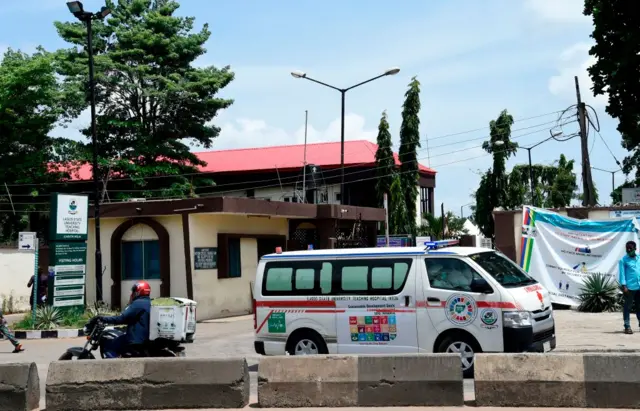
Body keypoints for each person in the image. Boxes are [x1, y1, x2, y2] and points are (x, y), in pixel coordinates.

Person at [97, 281, 151, 358]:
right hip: (145, 340)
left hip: (135, 341)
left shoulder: (137, 304)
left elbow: (121, 318)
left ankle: (114, 368)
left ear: (138, 292)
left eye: (134, 291)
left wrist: (103, 318)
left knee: (109, 345)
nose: (132, 293)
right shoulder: (150, 302)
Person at [619, 240, 640, 334]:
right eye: (627, 248)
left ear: (635, 248)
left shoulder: (639, 258)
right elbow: (622, 274)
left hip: (639, 287)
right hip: (629, 288)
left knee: (639, 307)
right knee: (627, 307)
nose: (628, 250)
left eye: (630, 248)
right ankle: (627, 326)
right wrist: (624, 286)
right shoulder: (623, 260)